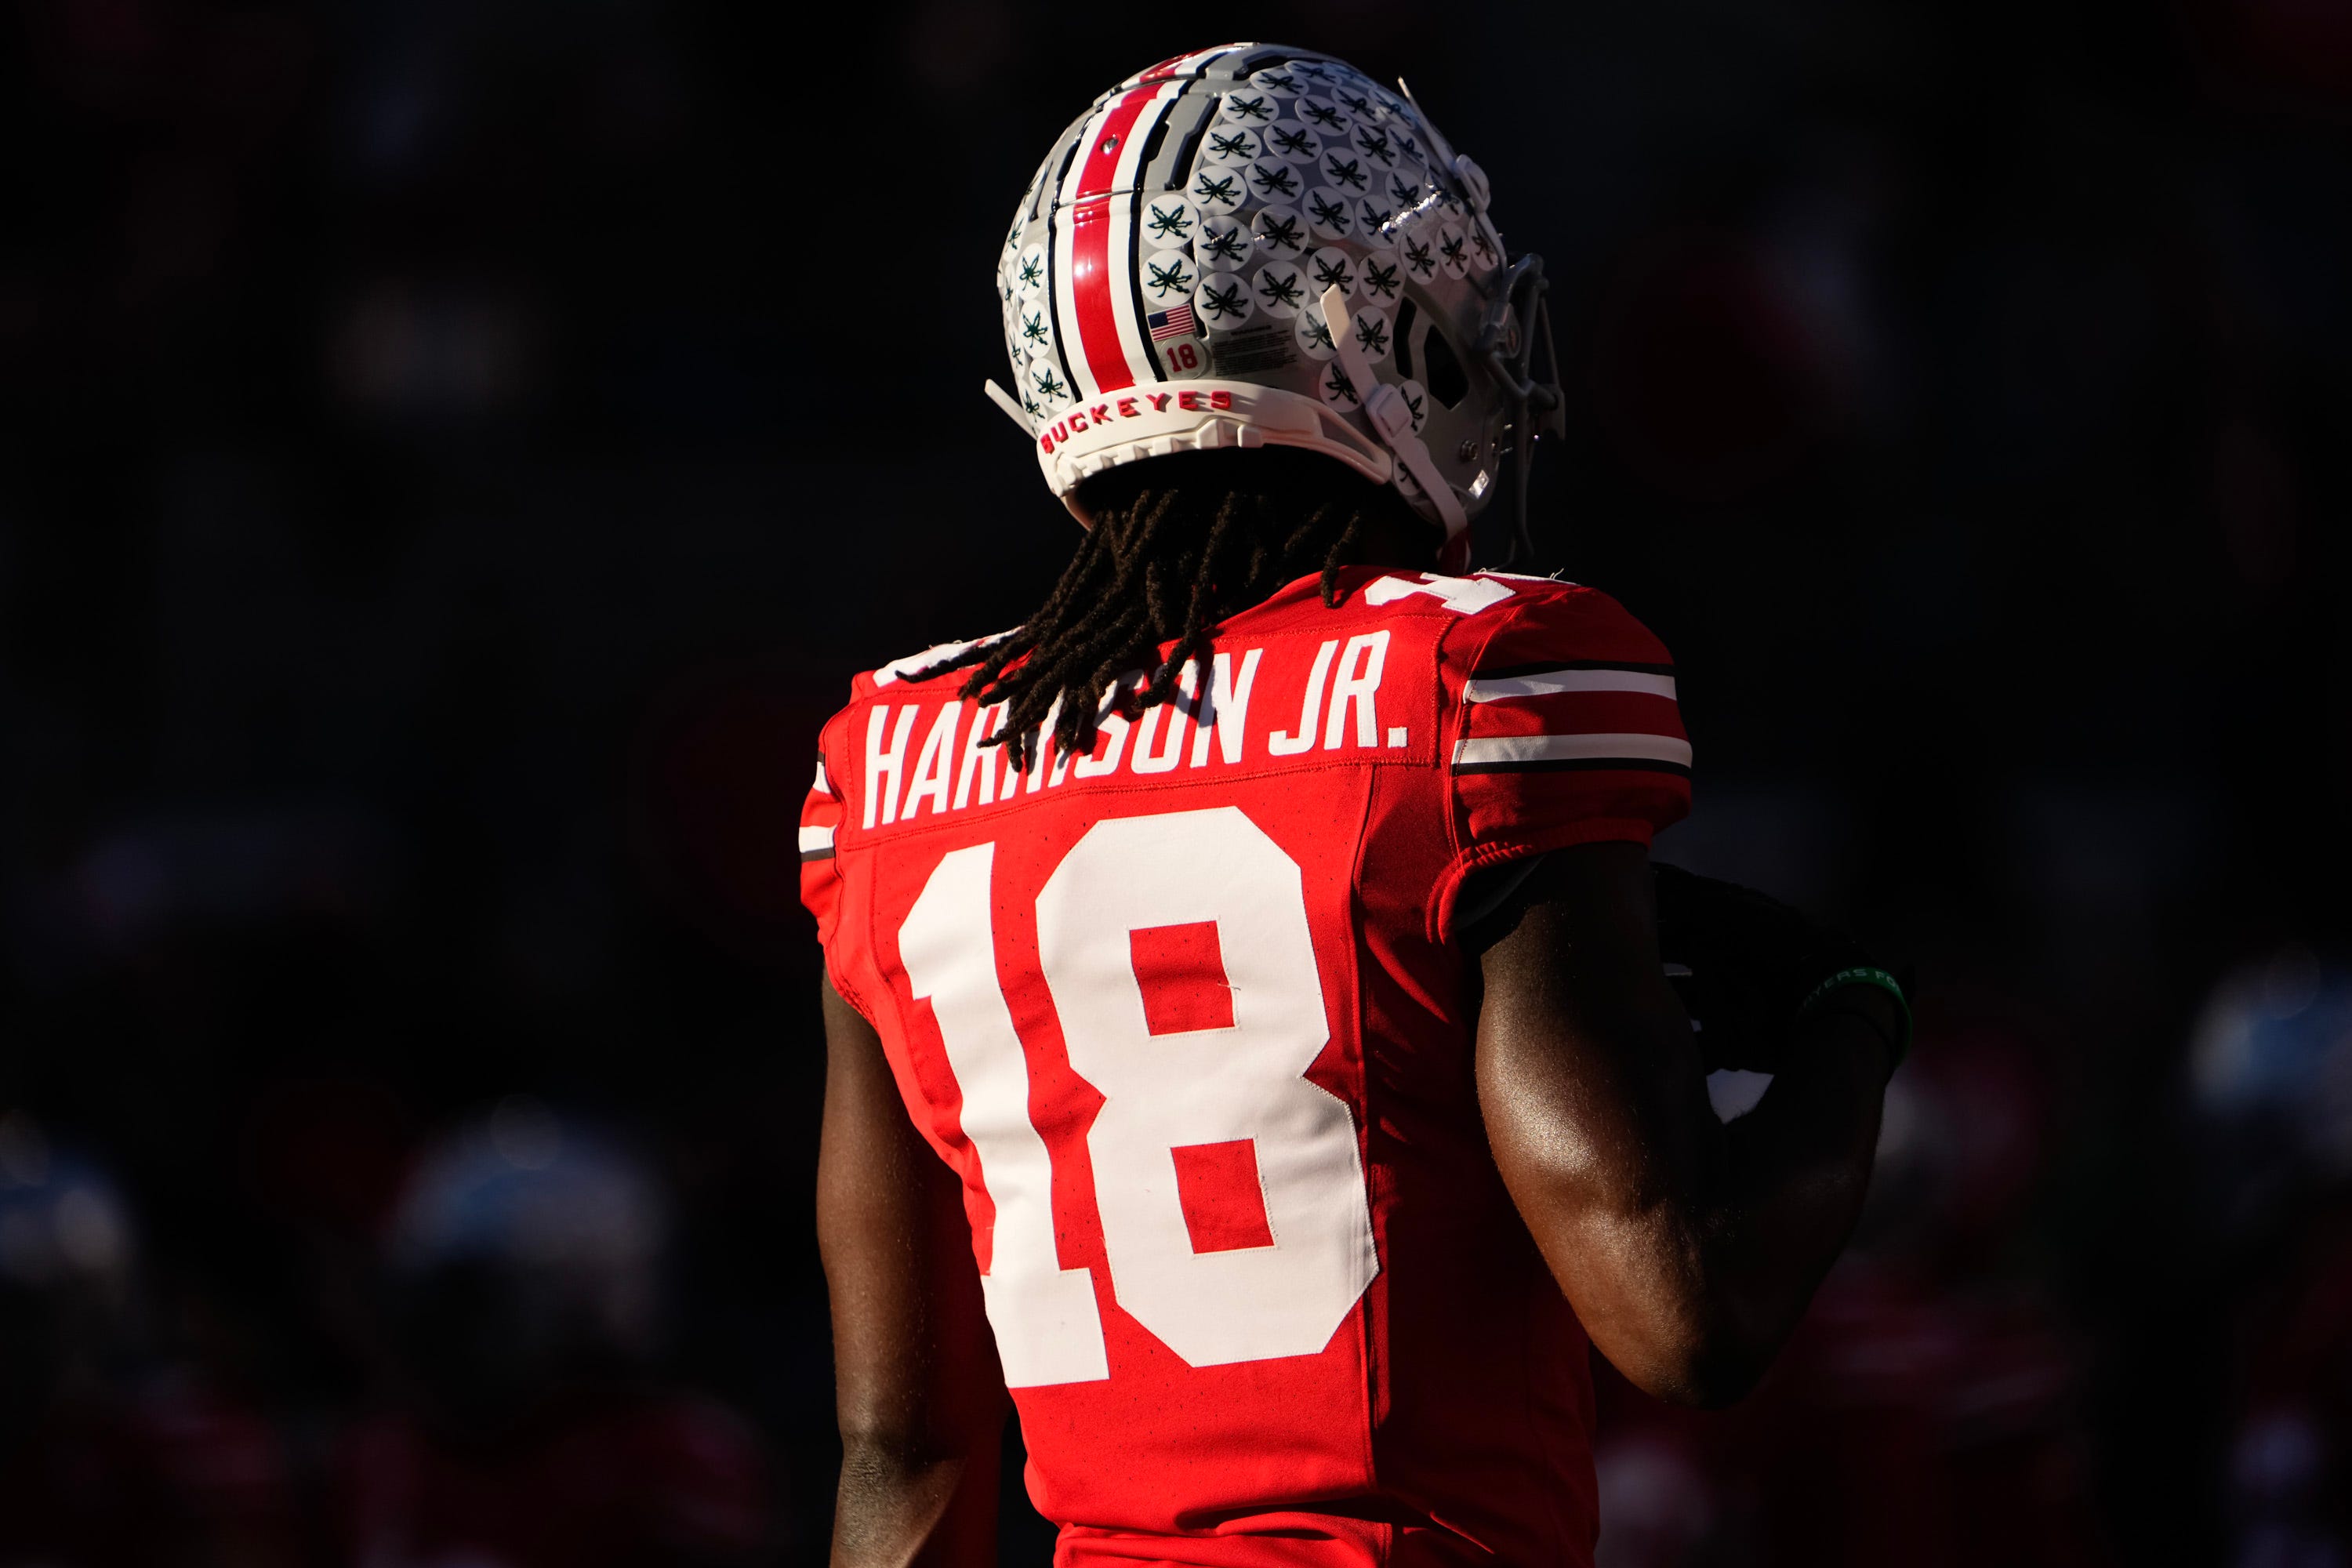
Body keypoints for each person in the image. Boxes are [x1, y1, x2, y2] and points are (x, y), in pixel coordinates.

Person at [802, 44, 1907, 1567]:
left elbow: (902, 1461)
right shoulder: (1476, 681)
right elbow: (1685, 1304)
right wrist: (1851, 1011)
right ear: (1357, 335)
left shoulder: (887, 768)